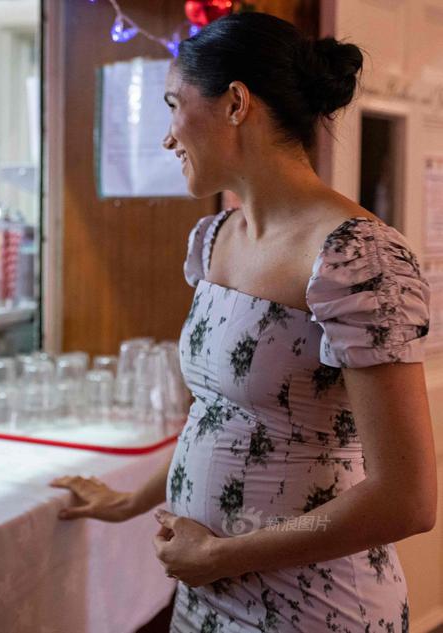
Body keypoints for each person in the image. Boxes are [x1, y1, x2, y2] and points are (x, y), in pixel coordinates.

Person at [52, 13, 436, 632]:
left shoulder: (357, 256)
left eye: (175, 105)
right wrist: (130, 501)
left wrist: (221, 554)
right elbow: (220, 413)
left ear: (235, 103)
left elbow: (407, 500)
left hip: (315, 605)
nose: (167, 138)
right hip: (207, 593)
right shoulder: (214, 239)